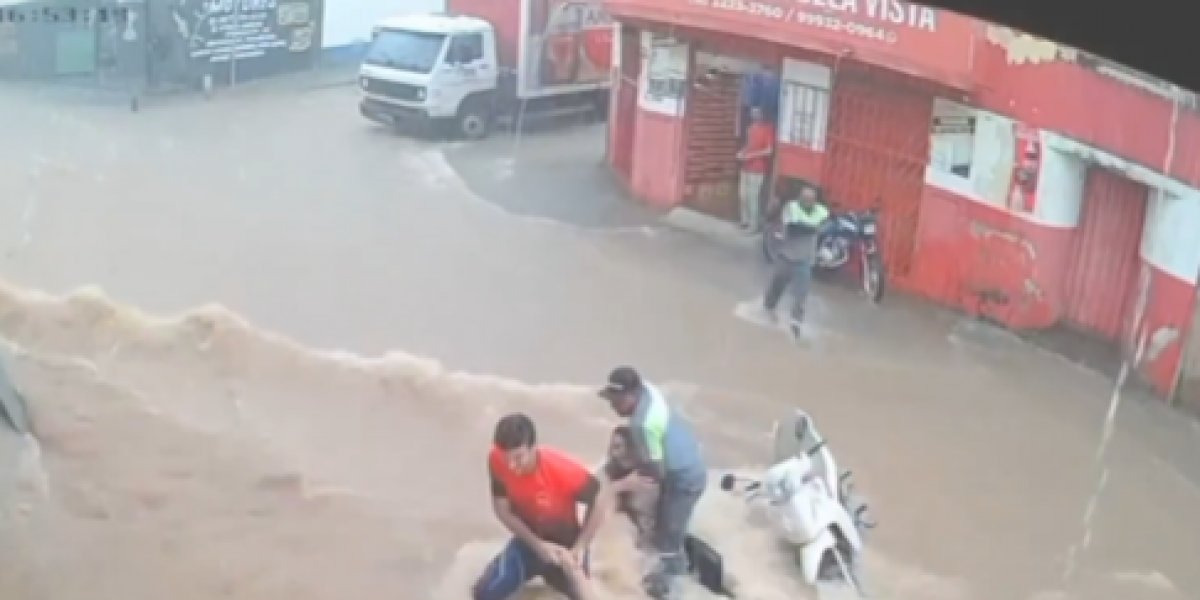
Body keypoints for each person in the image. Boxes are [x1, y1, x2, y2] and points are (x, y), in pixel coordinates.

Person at [474, 413, 610, 600]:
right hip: (529, 541)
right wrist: (538, 546)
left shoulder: (562, 470)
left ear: (533, 448)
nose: (511, 466)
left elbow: (600, 499)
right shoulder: (496, 460)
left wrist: (580, 547)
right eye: (507, 458)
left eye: (518, 457)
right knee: (483, 594)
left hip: (566, 546)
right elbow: (501, 509)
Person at [598, 366, 707, 598]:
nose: (612, 406)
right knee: (663, 524)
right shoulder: (648, 389)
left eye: (616, 401)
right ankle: (676, 539)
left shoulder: (642, 425)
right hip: (689, 454)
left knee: (666, 544)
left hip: (684, 478)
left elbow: (656, 470)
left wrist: (625, 480)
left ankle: (674, 587)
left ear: (631, 395)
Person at [763, 180, 829, 338]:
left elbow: (824, 225)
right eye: (805, 198)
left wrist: (818, 227)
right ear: (800, 198)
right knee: (777, 285)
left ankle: (796, 322)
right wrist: (813, 228)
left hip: (804, 260)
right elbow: (793, 226)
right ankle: (769, 307)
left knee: (801, 294)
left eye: (811, 199)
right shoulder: (791, 209)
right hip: (786, 256)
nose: (807, 201)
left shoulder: (821, 213)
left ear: (815, 201)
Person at [599, 426, 660, 552]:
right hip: (623, 532)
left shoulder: (647, 476)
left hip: (646, 539)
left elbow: (649, 519)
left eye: (617, 447)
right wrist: (619, 486)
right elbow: (599, 502)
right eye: (611, 447)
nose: (612, 453)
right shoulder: (609, 469)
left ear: (632, 449)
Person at [735, 106, 775, 233]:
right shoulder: (751, 128)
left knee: (753, 197)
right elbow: (749, 145)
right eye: (753, 113)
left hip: (758, 168)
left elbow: (769, 151)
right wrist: (742, 152)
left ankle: (754, 225)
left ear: (762, 114)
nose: (754, 115)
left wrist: (751, 155)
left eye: (757, 113)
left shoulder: (768, 129)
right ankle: (745, 220)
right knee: (743, 195)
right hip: (746, 166)